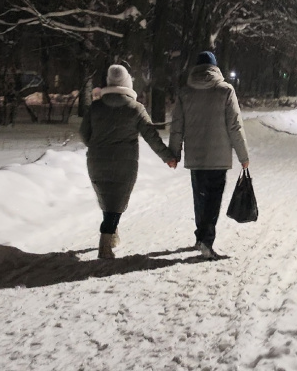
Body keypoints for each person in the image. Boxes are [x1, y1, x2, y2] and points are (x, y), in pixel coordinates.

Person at [80, 64, 177, 260]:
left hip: (96, 161)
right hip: (124, 163)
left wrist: (97, 145)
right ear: (126, 83)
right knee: (117, 201)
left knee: (107, 199)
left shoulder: (96, 107)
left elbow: (84, 134)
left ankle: (112, 233)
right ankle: (105, 243)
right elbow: (151, 136)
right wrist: (168, 156)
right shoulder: (135, 108)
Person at [170, 51, 250, 260]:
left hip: (195, 156)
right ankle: (207, 241)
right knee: (213, 199)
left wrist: (174, 152)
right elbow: (235, 126)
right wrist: (243, 155)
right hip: (218, 157)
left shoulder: (185, 92)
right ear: (215, 68)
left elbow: (177, 126)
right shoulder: (225, 91)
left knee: (200, 197)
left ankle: (200, 236)